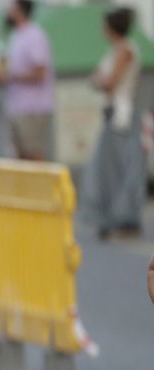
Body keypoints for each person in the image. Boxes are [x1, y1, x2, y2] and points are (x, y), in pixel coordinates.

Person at [81, 7, 145, 240]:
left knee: (120, 169)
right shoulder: (116, 50)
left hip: (122, 115)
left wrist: (99, 80)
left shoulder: (126, 50)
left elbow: (108, 81)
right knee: (108, 169)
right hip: (112, 113)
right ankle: (110, 217)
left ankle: (124, 218)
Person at [0, 0, 55, 161]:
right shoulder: (16, 36)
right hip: (17, 107)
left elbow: (40, 73)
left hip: (32, 108)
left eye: (11, 8)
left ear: (20, 10)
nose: (7, 12)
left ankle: (41, 187)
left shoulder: (34, 35)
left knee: (33, 155)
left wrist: (8, 76)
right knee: (21, 157)